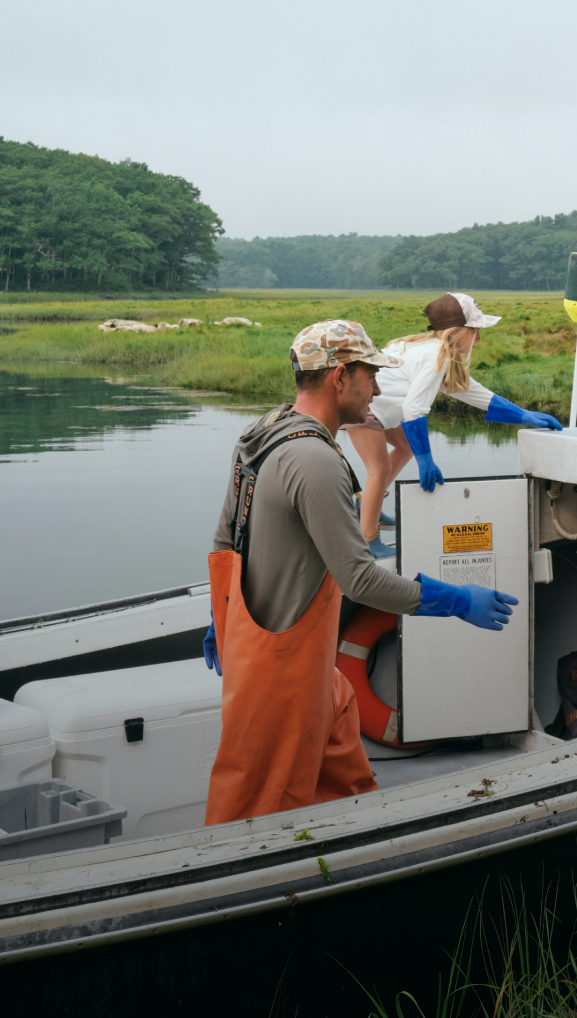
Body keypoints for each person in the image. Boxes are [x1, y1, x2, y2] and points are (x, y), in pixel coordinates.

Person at [203, 320, 518, 826]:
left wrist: (222, 621)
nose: (376, 386)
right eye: (370, 374)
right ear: (339, 378)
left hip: (282, 655)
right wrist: (454, 600)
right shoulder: (316, 461)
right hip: (280, 677)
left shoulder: (262, 431)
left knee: (342, 740)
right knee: (255, 815)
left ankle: (356, 844)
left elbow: (226, 541)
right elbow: (360, 580)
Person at [346, 292, 563, 558]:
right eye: (475, 331)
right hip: (364, 409)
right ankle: (367, 541)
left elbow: (471, 391)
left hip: (379, 409)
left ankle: (369, 507)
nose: (479, 339)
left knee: (404, 448)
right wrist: (426, 459)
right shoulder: (438, 356)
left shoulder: (425, 347)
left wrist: (522, 415)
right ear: (457, 331)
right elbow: (414, 408)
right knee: (378, 470)